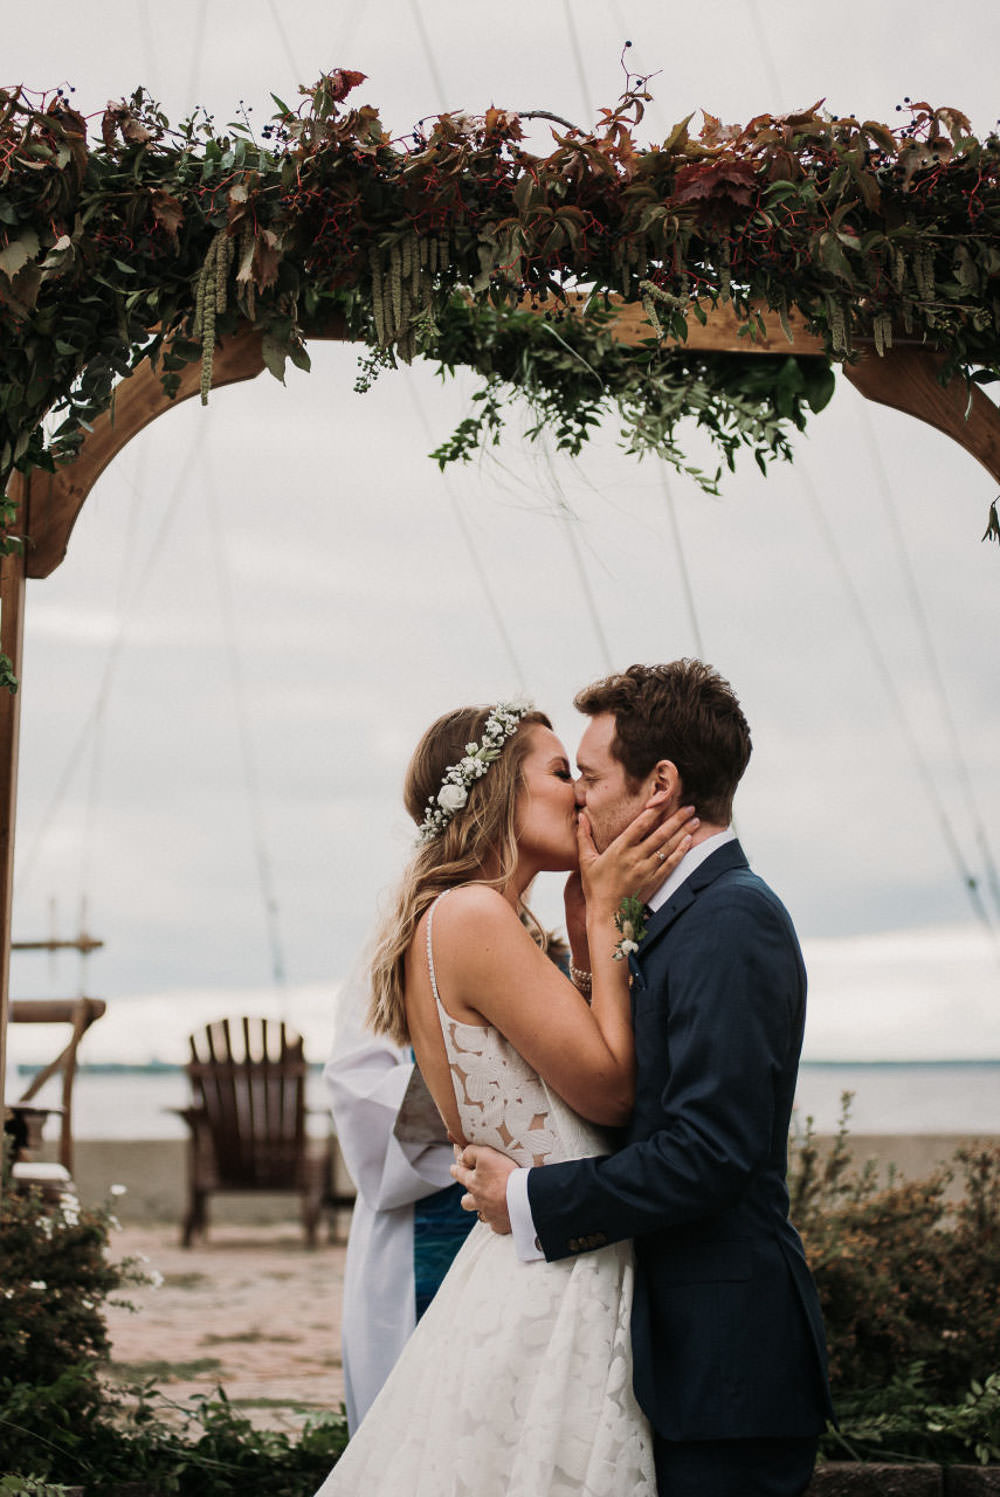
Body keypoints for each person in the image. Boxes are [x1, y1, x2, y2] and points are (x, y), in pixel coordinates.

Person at [455, 662, 835, 1497]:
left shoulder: (733, 919)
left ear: (660, 784)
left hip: (729, 1373)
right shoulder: (677, 920)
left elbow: (709, 1152)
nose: (578, 799)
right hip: (685, 1365)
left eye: (589, 777)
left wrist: (528, 1199)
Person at [313, 700, 695, 1496]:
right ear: (497, 792)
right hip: (553, 1278)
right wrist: (609, 914)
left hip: (538, 1254)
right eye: (561, 773)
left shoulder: (480, 919)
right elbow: (612, 1089)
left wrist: (579, 927)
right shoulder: (476, 915)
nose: (583, 794)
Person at [324, 967, 475, 1433]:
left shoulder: (559, 957)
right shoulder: (386, 972)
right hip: (421, 1228)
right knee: (416, 1420)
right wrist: (490, 1069)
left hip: (536, 1215)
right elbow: (364, 1102)